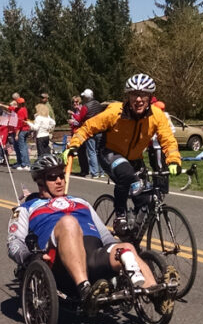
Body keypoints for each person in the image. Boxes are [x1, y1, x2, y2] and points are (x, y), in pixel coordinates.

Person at [7, 154, 156, 310]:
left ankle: (156, 293)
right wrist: (29, 257)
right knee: (68, 222)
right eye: (52, 177)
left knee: (126, 248)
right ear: (40, 182)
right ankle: (85, 289)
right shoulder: (26, 208)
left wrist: (116, 252)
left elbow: (104, 235)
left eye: (61, 175)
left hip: (92, 253)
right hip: (58, 260)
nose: (59, 180)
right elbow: (13, 242)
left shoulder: (81, 202)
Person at [66, 74, 182, 233]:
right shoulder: (114, 112)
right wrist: (74, 145)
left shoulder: (157, 116)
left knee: (147, 199)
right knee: (126, 174)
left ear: (150, 97)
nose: (139, 99)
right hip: (110, 153)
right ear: (128, 96)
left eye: (143, 95)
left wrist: (173, 160)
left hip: (135, 159)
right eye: (134, 94)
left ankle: (133, 237)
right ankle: (120, 213)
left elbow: (168, 139)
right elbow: (88, 127)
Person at [77, 88, 104, 179]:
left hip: (90, 130)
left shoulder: (85, 107)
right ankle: (102, 171)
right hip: (99, 129)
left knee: (91, 152)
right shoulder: (98, 104)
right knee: (98, 151)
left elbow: (81, 118)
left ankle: (94, 172)